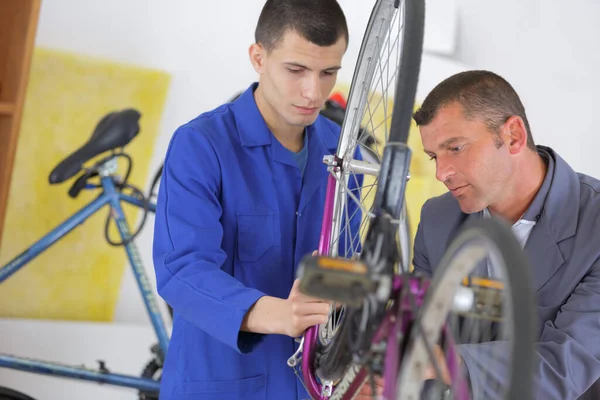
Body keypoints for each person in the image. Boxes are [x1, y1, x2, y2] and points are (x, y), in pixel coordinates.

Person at [152, 1, 373, 399]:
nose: (314, 92)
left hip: (314, 387)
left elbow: (347, 271)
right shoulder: (201, 144)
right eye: (296, 70)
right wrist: (279, 314)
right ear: (258, 57)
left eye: (329, 73)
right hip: (219, 385)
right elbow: (181, 269)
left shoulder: (346, 156)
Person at [411, 69, 600, 399]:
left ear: (513, 136)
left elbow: (564, 365)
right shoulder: (436, 218)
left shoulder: (594, 224)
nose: (442, 173)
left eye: (455, 148)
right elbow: (420, 325)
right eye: (433, 157)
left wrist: (444, 364)